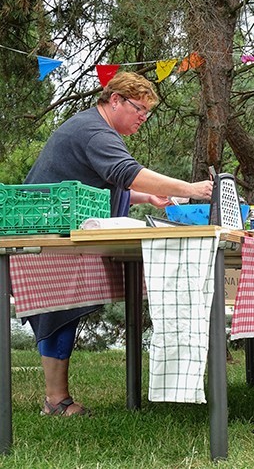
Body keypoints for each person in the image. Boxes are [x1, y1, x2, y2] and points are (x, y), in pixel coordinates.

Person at [23, 71, 214, 416]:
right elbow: (127, 172)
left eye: (147, 112)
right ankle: (55, 401)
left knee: (63, 311)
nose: (143, 117)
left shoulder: (93, 127)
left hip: (61, 230)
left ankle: (57, 399)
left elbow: (112, 182)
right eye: (139, 109)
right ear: (115, 100)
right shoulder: (94, 130)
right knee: (58, 311)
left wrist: (148, 197)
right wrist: (189, 189)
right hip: (46, 234)